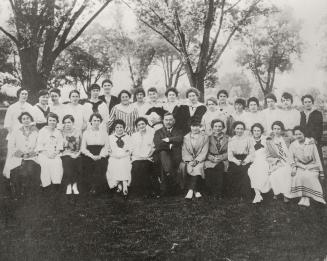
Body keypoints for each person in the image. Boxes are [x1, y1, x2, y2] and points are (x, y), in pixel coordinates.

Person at [3, 112, 40, 199]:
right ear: (21, 121)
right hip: (18, 157)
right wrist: (22, 154)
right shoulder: (16, 132)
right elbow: (11, 146)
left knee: (30, 169)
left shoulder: (36, 131)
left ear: (31, 120)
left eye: (28, 118)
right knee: (16, 169)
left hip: (33, 157)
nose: (26, 120)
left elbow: (40, 145)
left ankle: (29, 194)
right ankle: (18, 193)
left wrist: (31, 153)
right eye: (24, 119)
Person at [289, 126, 326, 207]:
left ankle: (307, 197)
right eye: (296, 134)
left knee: (309, 176)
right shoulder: (293, 145)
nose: (298, 136)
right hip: (300, 166)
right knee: (298, 176)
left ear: (304, 134)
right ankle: (303, 196)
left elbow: (317, 157)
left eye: (300, 134)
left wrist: (321, 172)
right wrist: (294, 168)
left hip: (312, 166)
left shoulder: (311, 143)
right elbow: (291, 159)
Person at [153, 112, 183, 196]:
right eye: (166, 120)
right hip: (162, 156)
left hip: (175, 155)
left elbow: (180, 139)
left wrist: (168, 139)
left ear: (174, 121)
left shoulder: (178, 131)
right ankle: (170, 176)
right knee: (163, 154)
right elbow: (158, 144)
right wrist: (170, 145)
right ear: (163, 121)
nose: (168, 122)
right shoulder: (158, 132)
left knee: (164, 159)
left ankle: (165, 188)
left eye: (170, 120)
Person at [266, 121, 294, 202]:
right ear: (272, 130)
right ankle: (277, 192)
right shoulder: (269, 141)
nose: (276, 130)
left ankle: (286, 194)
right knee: (274, 174)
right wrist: (276, 161)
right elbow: (268, 156)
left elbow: (299, 139)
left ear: (282, 130)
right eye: (274, 128)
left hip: (288, 160)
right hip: (277, 161)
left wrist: (311, 140)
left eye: (278, 129)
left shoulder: (287, 139)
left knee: (285, 172)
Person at [81, 113, 109, 194]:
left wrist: (101, 155)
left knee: (100, 165)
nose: (96, 122)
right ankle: (91, 187)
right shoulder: (86, 133)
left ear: (100, 122)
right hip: (89, 154)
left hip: (101, 153)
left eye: (98, 120)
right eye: (94, 120)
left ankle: (98, 187)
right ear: (90, 122)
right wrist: (91, 155)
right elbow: (83, 148)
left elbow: (106, 146)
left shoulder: (104, 133)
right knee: (88, 165)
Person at [182, 119, 209, 200]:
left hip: (200, 159)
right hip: (189, 160)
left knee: (198, 168)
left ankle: (190, 190)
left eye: (197, 126)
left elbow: (204, 150)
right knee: (190, 167)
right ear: (190, 127)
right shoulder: (186, 137)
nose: (195, 128)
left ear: (200, 127)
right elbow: (185, 151)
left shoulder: (205, 137)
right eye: (193, 126)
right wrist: (190, 161)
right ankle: (196, 191)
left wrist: (197, 160)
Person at [36, 112, 64, 192]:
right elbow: (39, 145)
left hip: (55, 154)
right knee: (45, 164)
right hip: (44, 153)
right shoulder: (42, 131)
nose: (52, 122)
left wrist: (55, 153)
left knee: (57, 163)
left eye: (54, 120)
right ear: (47, 121)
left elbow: (60, 144)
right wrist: (47, 154)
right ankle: (46, 185)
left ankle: (56, 184)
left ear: (56, 122)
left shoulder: (58, 132)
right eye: (50, 120)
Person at [227, 121, 254, 199]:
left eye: (242, 129)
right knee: (233, 171)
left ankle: (245, 194)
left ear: (244, 130)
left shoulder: (248, 139)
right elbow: (230, 155)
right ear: (234, 129)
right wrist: (236, 161)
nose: (239, 130)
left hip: (245, 158)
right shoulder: (231, 140)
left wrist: (246, 160)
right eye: (237, 128)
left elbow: (252, 153)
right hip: (235, 159)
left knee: (245, 171)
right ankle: (235, 194)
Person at [130, 117, 157, 197]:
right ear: (137, 127)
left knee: (146, 166)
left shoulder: (151, 135)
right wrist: (142, 158)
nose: (141, 126)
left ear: (146, 124)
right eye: (139, 125)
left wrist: (148, 156)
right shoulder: (134, 136)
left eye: (143, 124)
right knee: (137, 166)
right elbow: (132, 150)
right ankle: (139, 191)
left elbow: (153, 147)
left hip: (148, 158)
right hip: (137, 158)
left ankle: (147, 191)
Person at [106, 120, 132, 198]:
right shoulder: (110, 138)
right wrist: (114, 155)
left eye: (121, 127)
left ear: (124, 128)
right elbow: (108, 149)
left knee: (124, 163)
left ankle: (124, 184)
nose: (119, 129)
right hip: (114, 157)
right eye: (117, 127)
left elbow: (130, 149)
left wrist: (124, 154)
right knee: (113, 164)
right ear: (114, 128)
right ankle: (119, 184)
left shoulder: (128, 137)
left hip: (125, 156)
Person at [204, 119, 229, 199]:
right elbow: (204, 151)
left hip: (223, 159)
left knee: (219, 168)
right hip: (210, 159)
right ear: (212, 127)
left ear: (223, 128)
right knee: (209, 170)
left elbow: (230, 151)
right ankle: (211, 192)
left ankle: (218, 192)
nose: (217, 128)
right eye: (215, 126)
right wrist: (211, 157)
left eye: (220, 126)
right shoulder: (208, 138)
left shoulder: (228, 138)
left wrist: (221, 158)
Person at [247, 123, 270, 204]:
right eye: (255, 131)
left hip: (264, 159)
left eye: (258, 131)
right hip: (254, 159)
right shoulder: (249, 140)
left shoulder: (266, 139)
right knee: (252, 171)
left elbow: (269, 152)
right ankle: (257, 193)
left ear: (261, 132)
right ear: (252, 131)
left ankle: (259, 192)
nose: (256, 132)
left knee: (263, 169)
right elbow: (249, 153)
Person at [300, 94, 324, 163]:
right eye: (305, 102)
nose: (307, 104)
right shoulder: (301, 114)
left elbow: (319, 128)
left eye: (309, 102)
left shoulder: (317, 113)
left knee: (317, 160)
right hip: (303, 140)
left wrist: (313, 138)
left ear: (312, 103)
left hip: (314, 140)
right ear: (303, 104)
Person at [61, 115, 82, 195]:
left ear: (72, 122)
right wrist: (69, 154)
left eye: (69, 122)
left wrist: (78, 153)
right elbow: (60, 146)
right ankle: (69, 185)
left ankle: (75, 185)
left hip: (77, 153)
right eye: (65, 122)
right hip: (65, 153)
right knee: (67, 162)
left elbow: (82, 144)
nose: (67, 124)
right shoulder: (61, 132)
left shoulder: (78, 131)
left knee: (78, 162)